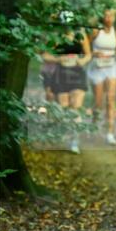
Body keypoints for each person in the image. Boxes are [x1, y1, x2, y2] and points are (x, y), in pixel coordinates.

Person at [42, 21, 91, 154]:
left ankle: (75, 141)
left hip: (77, 73)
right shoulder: (55, 35)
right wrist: (58, 59)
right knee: (63, 106)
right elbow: (45, 55)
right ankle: (65, 134)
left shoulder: (80, 33)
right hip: (60, 73)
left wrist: (82, 61)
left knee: (75, 106)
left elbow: (88, 54)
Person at [87, 8, 116, 145]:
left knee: (110, 100)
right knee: (98, 102)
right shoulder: (96, 32)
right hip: (97, 68)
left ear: (114, 18)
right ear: (102, 17)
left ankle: (110, 133)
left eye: (110, 16)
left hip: (111, 68)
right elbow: (86, 49)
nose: (108, 18)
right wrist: (94, 53)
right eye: (106, 16)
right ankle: (93, 127)